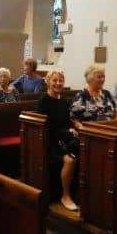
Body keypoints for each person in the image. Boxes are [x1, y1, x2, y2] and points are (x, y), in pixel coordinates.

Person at [37, 70, 78, 211]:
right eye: (54, 80)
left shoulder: (64, 101)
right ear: (48, 82)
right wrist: (67, 132)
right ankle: (65, 196)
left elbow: (68, 122)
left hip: (65, 140)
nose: (58, 83)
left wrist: (73, 128)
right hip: (50, 142)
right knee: (69, 160)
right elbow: (46, 127)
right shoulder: (44, 101)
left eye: (61, 80)